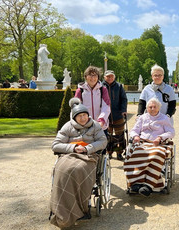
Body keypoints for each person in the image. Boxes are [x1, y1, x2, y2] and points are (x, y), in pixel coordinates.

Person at [50, 98, 107, 228]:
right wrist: (73, 148)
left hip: (88, 157)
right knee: (62, 170)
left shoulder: (95, 126)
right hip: (69, 155)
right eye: (79, 116)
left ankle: (81, 208)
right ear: (74, 118)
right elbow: (55, 145)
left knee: (78, 170)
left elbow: (103, 142)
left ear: (88, 115)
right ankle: (61, 210)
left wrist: (87, 148)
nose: (82, 118)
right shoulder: (68, 126)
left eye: (84, 115)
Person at [124, 97, 175, 196]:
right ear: (147, 108)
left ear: (159, 108)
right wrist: (136, 136)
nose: (152, 109)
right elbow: (134, 130)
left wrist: (160, 137)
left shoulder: (164, 118)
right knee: (135, 154)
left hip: (158, 144)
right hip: (143, 143)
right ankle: (136, 183)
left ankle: (149, 185)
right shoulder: (142, 118)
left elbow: (171, 132)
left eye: (154, 107)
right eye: (150, 107)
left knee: (157, 154)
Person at [74, 66, 111, 131]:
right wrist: (83, 122)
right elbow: (76, 108)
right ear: (85, 77)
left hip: (100, 127)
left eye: (95, 75)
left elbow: (106, 107)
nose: (93, 78)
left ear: (98, 77)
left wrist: (101, 120)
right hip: (85, 127)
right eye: (90, 75)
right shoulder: (80, 90)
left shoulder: (103, 89)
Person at [103, 70, 128, 160]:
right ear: (104, 77)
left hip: (118, 115)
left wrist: (124, 110)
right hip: (106, 116)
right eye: (108, 76)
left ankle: (119, 153)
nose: (110, 78)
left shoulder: (119, 86)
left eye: (111, 76)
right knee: (108, 135)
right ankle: (109, 152)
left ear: (114, 77)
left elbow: (124, 99)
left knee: (120, 135)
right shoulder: (101, 87)